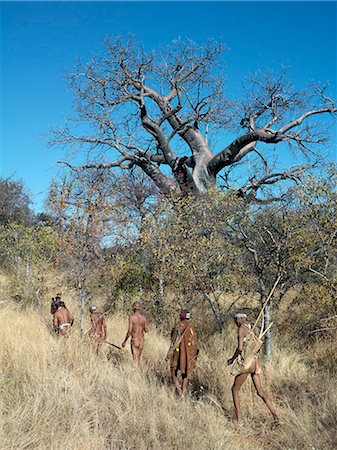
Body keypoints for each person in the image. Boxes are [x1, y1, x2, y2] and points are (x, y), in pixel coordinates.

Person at [227, 313, 279, 424]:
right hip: (254, 363)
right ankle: (276, 417)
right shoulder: (251, 327)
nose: (235, 322)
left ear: (240, 319)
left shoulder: (241, 329)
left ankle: (239, 420)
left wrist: (232, 359)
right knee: (260, 391)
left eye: (236, 320)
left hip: (246, 364)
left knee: (235, 390)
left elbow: (240, 348)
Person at [170, 306, 198, 396]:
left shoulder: (178, 325)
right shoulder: (192, 326)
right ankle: (183, 393)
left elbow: (173, 340)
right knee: (185, 373)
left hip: (178, 353)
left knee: (173, 371)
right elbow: (195, 342)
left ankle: (179, 390)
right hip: (189, 354)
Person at [122, 301, 148, 369]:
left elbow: (129, 331)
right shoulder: (144, 318)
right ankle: (139, 373)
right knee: (138, 358)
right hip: (142, 340)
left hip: (135, 339)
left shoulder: (132, 317)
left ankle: (135, 374)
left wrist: (124, 341)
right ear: (139, 308)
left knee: (135, 358)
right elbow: (146, 330)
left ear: (133, 308)